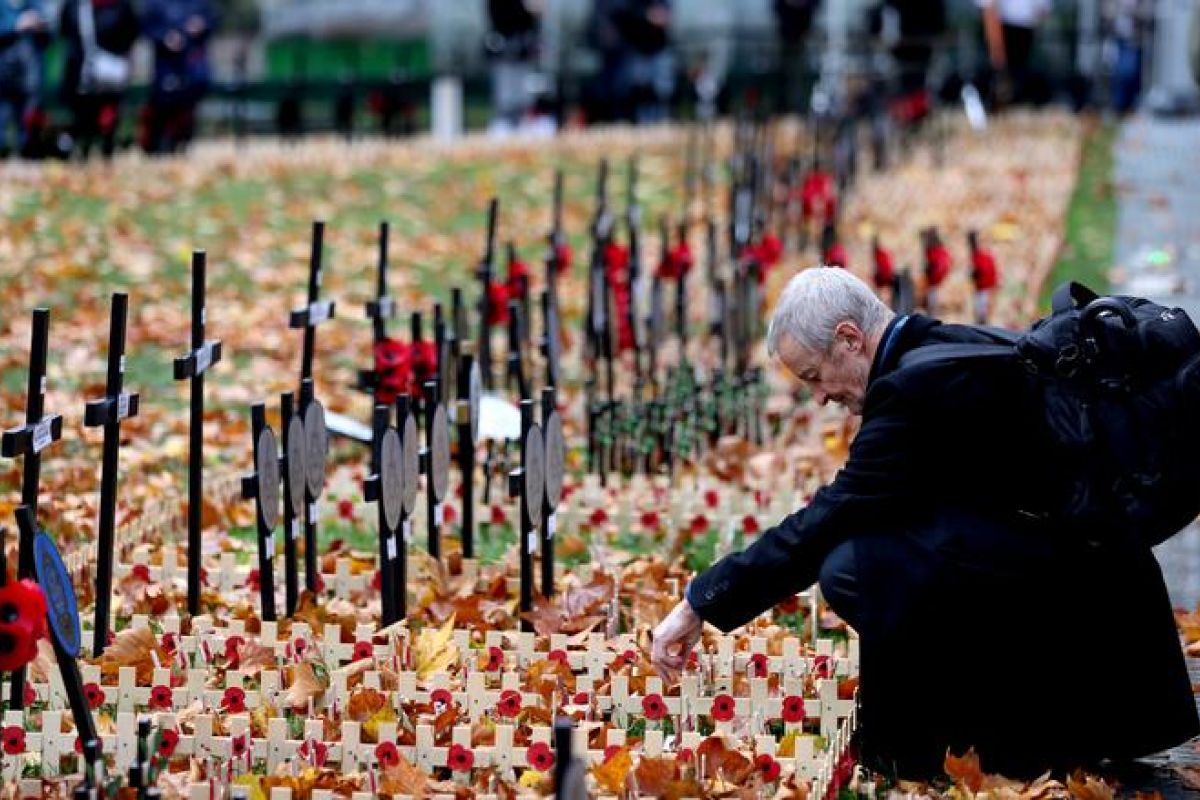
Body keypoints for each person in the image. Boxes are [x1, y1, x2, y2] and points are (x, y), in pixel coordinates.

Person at [651, 267, 1198, 779]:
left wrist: (701, 600)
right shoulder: (943, 347)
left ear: (849, 338)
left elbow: (830, 519)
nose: (819, 397)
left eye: (815, 376)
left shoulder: (914, 389)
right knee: (888, 549)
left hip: (1089, 600)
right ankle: (997, 735)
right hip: (1100, 589)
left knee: (855, 568)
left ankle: (1007, 746)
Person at [58, 0, 140, 159]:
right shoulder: (74, 5)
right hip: (80, 73)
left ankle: (106, 152)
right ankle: (83, 151)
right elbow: (65, 32)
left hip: (110, 73)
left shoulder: (120, 6)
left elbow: (131, 32)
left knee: (109, 116)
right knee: (82, 116)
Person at [141, 0, 217, 154]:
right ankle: (160, 143)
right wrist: (165, 37)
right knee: (164, 105)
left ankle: (181, 143)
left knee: (186, 107)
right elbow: (146, 26)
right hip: (165, 65)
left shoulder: (200, 4)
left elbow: (212, 20)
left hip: (192, 65)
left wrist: (201, 25)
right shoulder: (154, 4)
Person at [978, 0, 1051, 107]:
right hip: (1003, 32)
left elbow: (1042, 12)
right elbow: (990, 11)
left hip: (1023, 34)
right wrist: (999, 65)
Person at [0, 0, 48, 157]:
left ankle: (27, 153)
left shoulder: (36, 5)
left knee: (29, 119)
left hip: (30, 77)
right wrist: (16, 24)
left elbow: (50, 36)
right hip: (3, 75)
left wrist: (40, 26)